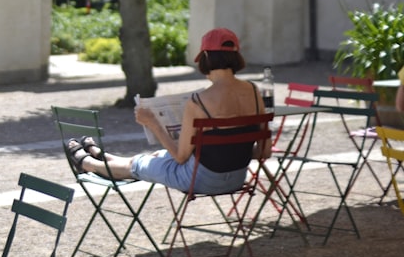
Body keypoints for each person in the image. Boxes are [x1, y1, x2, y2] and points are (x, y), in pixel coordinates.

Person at [65, 27, 271, 195]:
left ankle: (88, 163)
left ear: (206, 57)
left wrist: (152, 123)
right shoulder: (253, 92)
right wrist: (232, 149)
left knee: (139, 165)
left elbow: (180, 157)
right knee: (157, 156)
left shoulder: (199, 101)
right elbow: (264, 151)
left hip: (200, 181)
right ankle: (101, 154)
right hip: (236, 178)